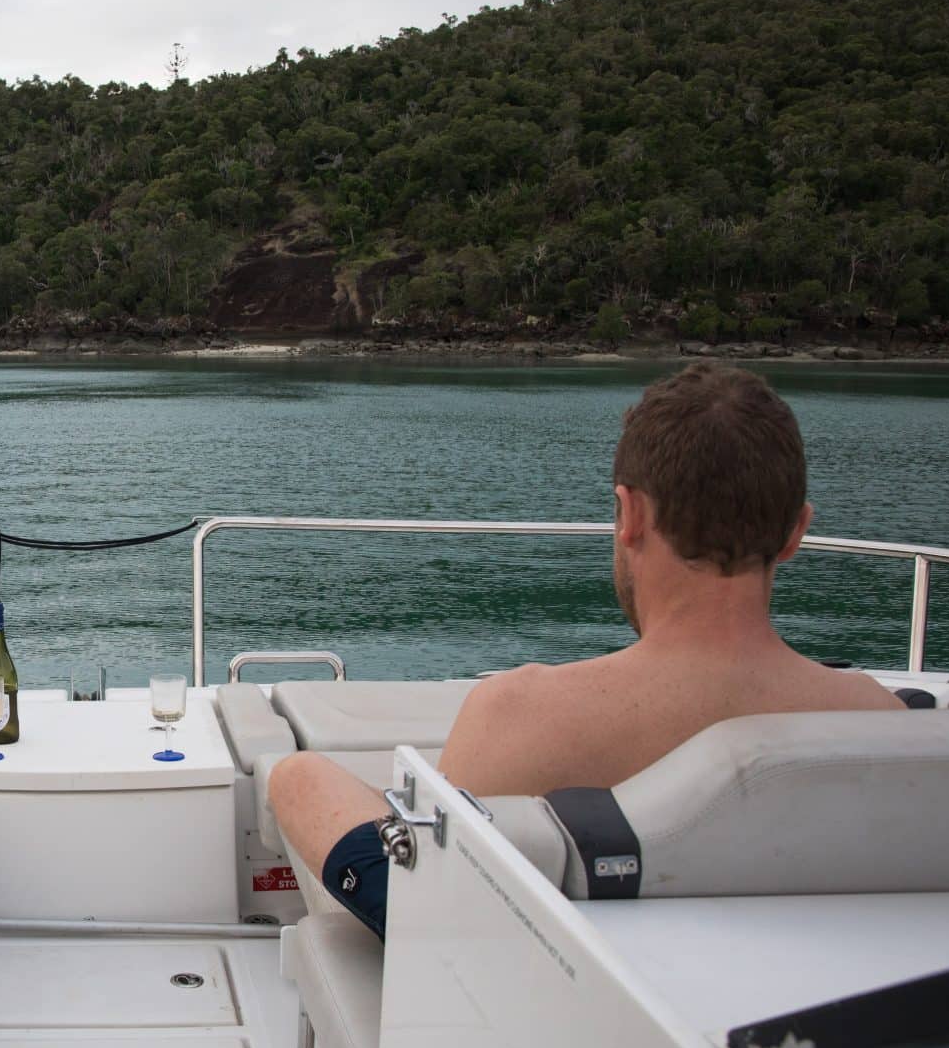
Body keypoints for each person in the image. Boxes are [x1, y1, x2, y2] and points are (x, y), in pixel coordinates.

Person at [269, 361, 904, 937]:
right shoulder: (878, 724)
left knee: (297, 774)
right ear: (796, 531)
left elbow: (433, 930)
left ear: (628, 514)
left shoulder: (520, 714)